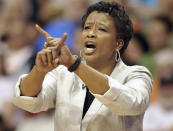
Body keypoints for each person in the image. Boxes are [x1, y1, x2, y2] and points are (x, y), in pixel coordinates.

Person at [13, 1, 153, 131]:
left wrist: (75, 65)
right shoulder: (63, 73)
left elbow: (132, 104)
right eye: (87, 27)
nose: (90, 34)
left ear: (118, 43)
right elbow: (27, 102)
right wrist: (39, 70)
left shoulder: (137, 74)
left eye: (101, 29)